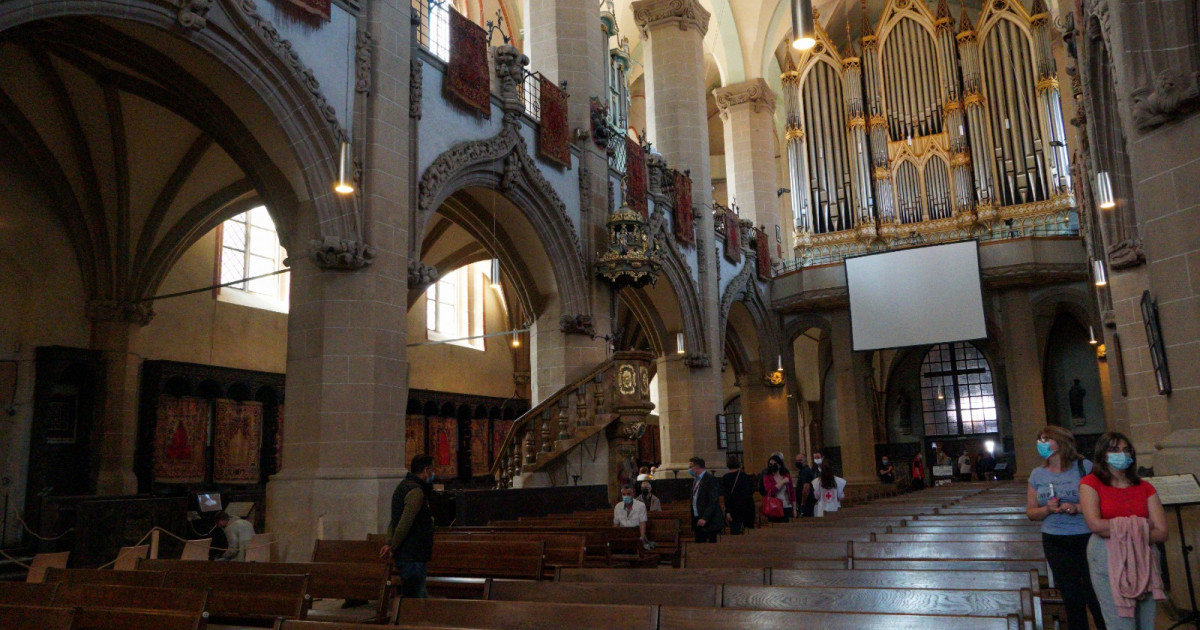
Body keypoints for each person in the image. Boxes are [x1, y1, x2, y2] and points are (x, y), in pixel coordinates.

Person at [1080, 432, 1167, 629]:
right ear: (1103, 455)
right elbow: (1095, 525)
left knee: (1146, 622)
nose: (1122, 454)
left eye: (1126, 450)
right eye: (1114, 449)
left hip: (1145, 557)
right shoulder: (1090, 483)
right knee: (1121, 623)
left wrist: (1117, 526)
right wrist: (1143, 524)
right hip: (1106, 556)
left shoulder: (1145, 487)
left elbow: (1162, 532)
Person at [1026, 426, 1106, 630]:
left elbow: (1102, 501)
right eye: (1039, 440)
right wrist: (1047, 509)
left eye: (1046, 439)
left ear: (1060, 442)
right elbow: (1031, 512)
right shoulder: (1037, 474)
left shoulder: (1084, 467)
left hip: (1086, 536)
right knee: (1070, 596)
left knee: (1095, 592)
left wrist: (1077, 507)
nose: (1041, 444)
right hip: (1055, 539)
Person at [379, 453, 436, 599]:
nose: (433, 474)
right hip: (413, 553)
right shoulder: (415, 491)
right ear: (425, 470)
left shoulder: (403, 486)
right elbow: (404, 523)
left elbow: (395, 520)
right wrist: (393, 547)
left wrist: (389, 542)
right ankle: (413, 621)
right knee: (415, 598)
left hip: (410, 553)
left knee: (417, 594)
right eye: (432, 470)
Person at [688, 456, 723, 543]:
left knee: (712, 549)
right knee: (699, 548)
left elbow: (713, 501)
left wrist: (705, 518)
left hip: (710, 521)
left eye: (690, 467)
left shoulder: (710, 479)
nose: (689, 470)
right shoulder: (696, 480)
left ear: (696, 467)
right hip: (698, 520)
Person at [721, 456, 755, 534]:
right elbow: (750, 492)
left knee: (735, 534)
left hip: (734, 509)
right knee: (749, 533)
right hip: (747, 508)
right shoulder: (745, 476)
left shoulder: (725, 478)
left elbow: (727, 496)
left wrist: (728, 511)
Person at [761, 454, 796, 523]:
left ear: (779, 465)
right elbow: (770, 491)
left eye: (774, 464)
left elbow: (792, 493)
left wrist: (794, 509)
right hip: (774, 507)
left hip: (787, 506)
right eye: (770, 464)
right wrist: (782, 482)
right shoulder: (767, 477)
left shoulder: (786, 476)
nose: (772, 466)